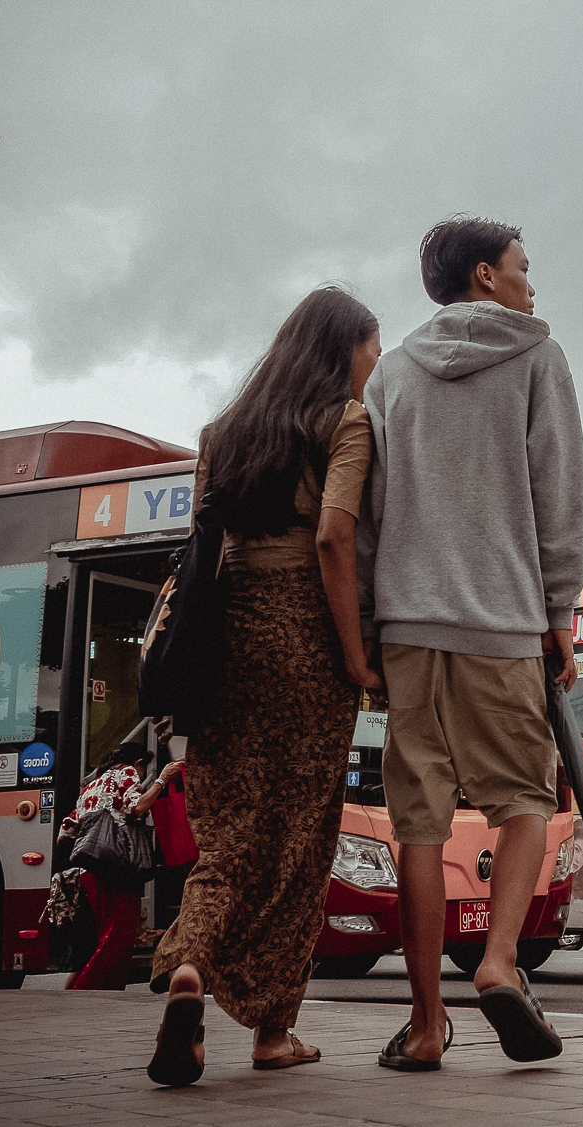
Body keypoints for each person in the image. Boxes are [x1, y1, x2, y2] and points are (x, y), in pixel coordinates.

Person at [359, 215, 583, 1070]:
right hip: (503, 623)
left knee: (418, 826)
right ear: (488, 275)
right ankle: (498, 961)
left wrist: (372, 630)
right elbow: (558, 495)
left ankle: (425, 1024)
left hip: (410, 631)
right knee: (524, 804)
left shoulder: (389, 376)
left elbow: (370, 514)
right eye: (526, 266)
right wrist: (559, 610)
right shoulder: (537, 357)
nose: (534, 283)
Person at [146, 286, 386, 1087]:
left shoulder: (225, 431)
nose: (376, 363)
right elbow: (333, 538)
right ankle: (274, 1030)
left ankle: (187, 969)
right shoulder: (343, 422)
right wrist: (356, 657)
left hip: (224, 637)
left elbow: (201, 546)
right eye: (371, 348)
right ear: (340, 348)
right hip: (302, 636)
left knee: (231, 830)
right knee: (300, 836)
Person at [58, 741, 178, 990]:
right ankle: (83, 993)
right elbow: (139, 807)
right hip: (119, 869)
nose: (141, 776)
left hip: (90, 870)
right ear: (138, 763)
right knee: (117, 941)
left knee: (106, 937)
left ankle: (106, 994)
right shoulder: (127, 772)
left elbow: (65, 832)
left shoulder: (91, 785)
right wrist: (162, 780)